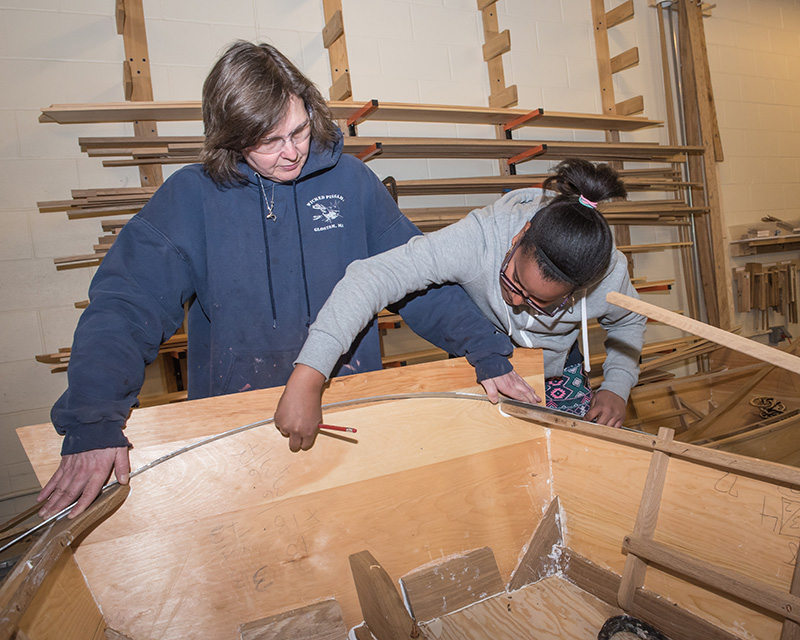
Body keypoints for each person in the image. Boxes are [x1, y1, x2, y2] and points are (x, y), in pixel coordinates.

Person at [37, 41, 532, 520]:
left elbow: (418, 280)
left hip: (350, 404)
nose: (293, 152)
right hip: (235, 421)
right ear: (229, 138)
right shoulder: (191, 197)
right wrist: (94, 420)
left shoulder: (352, 183)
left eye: (299, 130)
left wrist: (484, 351)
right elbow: (125, 307)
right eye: (269, 141)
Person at [275, 158, 647, 451]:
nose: (515, 301)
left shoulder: (608, 274)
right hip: (484, 359)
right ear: (520, 236)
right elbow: (370, 277)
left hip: (557, 372)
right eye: (512, 280)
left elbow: (629, 323)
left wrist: (617, 386)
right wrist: (309, 376)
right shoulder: (480, 238)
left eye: (540, 302)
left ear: (579, 290)